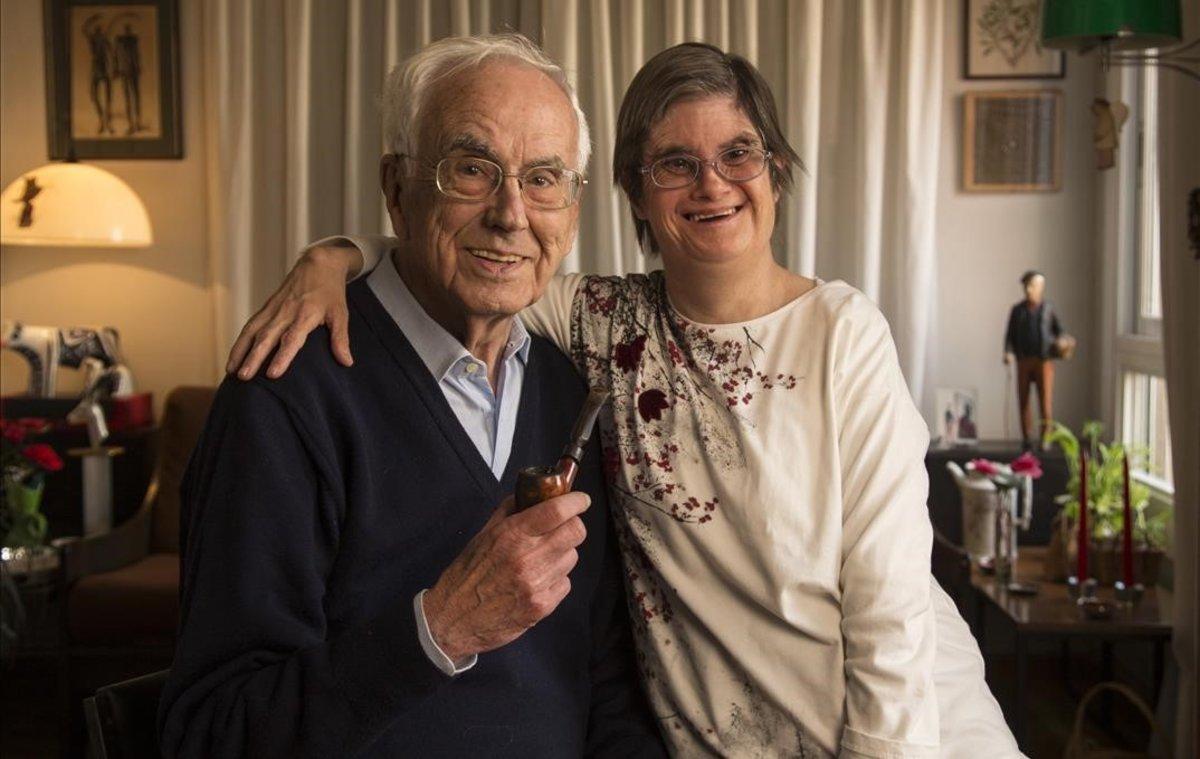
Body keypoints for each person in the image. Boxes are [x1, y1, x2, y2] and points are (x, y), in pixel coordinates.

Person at [230, 39, 1022, 757]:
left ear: (777, 167)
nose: (711, 182)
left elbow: (890, 624)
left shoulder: (844, 335)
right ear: (632, 194)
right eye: (674, 162)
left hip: (906, 731)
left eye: (739, 152)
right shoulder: (604, 324)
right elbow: (474, 251)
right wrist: (334, 257)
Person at [158, 35, 665, 758]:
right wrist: (439, 628)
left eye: (544, 178)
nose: (511, 213)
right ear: (396, 187)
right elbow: (213, 731)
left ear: (575, 204)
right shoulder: (285, 396)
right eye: (471, 169)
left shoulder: (569, 386)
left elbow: (608, 683)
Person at [1003, 270, 1066, 449]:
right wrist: (1008, 352)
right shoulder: (1017, 311)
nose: (1029, 289)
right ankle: (1027, 436)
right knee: (1023, 399)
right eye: (1027, 286)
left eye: (1033, 285)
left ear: (1040, 287)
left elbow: (1060, 330)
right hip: (1024, 360)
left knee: (1045, 400)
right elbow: (1009, 336)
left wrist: (1061, 342)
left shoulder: (1048, 309)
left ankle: (1046, 436)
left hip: (1043, 360)